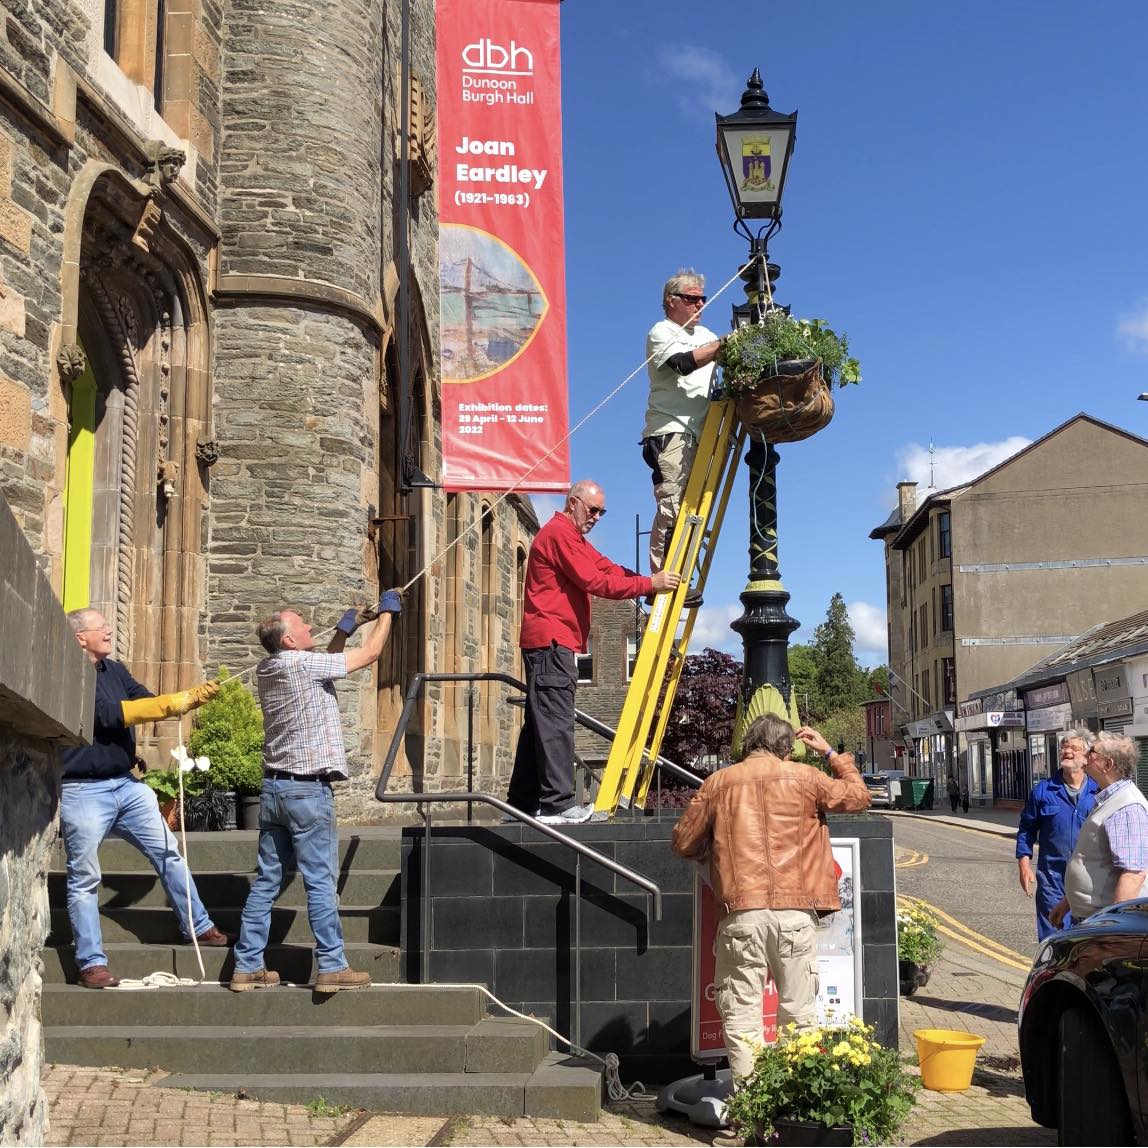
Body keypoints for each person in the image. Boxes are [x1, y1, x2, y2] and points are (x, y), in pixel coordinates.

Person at [670, 715, 871, 1082]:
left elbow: (683, 842)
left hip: (741, 914)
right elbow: (859, 796)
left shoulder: (718, 783)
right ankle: (792, 1109)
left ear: (749, 743)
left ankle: (752, 1112)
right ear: (786, 748)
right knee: (799, 1016)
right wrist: (829, 752)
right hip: (796, 914)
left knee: (743, 1018)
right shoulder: (806, 779)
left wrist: (713, 852)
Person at [229, 593, 401, 993]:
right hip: (307, 793)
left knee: (267, 882)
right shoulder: (303, 665)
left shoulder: (268, 667)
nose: (309, 626)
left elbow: (327, 666)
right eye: (302, 625)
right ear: (289, 640)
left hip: (273, 790)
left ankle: (246, 966)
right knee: (320, 882)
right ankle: (332, 966)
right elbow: (371, 655)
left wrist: (345, 628)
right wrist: (388, 614)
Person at [60, 608, 228, 989]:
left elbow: (145, 700)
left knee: (168, 852)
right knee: (84, 878)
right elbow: (107, 715)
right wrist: (172, 703)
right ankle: (91, 963)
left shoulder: (114, 670)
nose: (108, 629)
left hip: (126, 784)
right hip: (82, 790)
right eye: (99, 627)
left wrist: (183, 702)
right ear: (79, 638)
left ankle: (197, 926)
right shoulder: (69, 673)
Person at [505, 480, 681, 826]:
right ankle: (557, 804)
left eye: (602, 511)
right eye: (592, 509)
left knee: (539, 722)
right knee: (555, 721)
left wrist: (647, 581)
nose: (598, 517)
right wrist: (650, 585)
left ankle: (521, 804)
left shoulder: (572, 538)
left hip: (553, 643)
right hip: (552, 643)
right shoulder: (559, 535)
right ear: (573, 503)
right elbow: (595, 582)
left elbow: (607, 568)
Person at [640, 269, 724, 599]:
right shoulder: (661, 331)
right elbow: (682, 363)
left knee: (692, 509)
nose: (700, 304)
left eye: (702, 298)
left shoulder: (707, 334)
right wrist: (723, 346)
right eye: (692, 298)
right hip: (669, 430)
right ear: (671, 301)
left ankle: (680, 574)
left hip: (700, 435)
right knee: (672, 506)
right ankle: (662, 577)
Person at [1052, 733, 1148, 929]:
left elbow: (1133, 873)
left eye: (1092, 751)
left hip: (1103, 924)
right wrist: (1068, 901)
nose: (1086, 754)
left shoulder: (1127, 807)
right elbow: (1095, 861)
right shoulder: (1108, 798)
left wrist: (1113, 930)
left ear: (1107, 764)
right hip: (1091, 918)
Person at [1016, 731, 1099, 939]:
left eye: (1074, 748)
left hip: (1089, 879)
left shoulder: (1098, 792)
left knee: (1086, 940)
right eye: (1064, 747)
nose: (1067, 752)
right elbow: (1026, 829)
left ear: (1087, 756)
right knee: (1053, 938)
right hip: (1052, 879)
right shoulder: (1043, 791)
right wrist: (1024, 865)